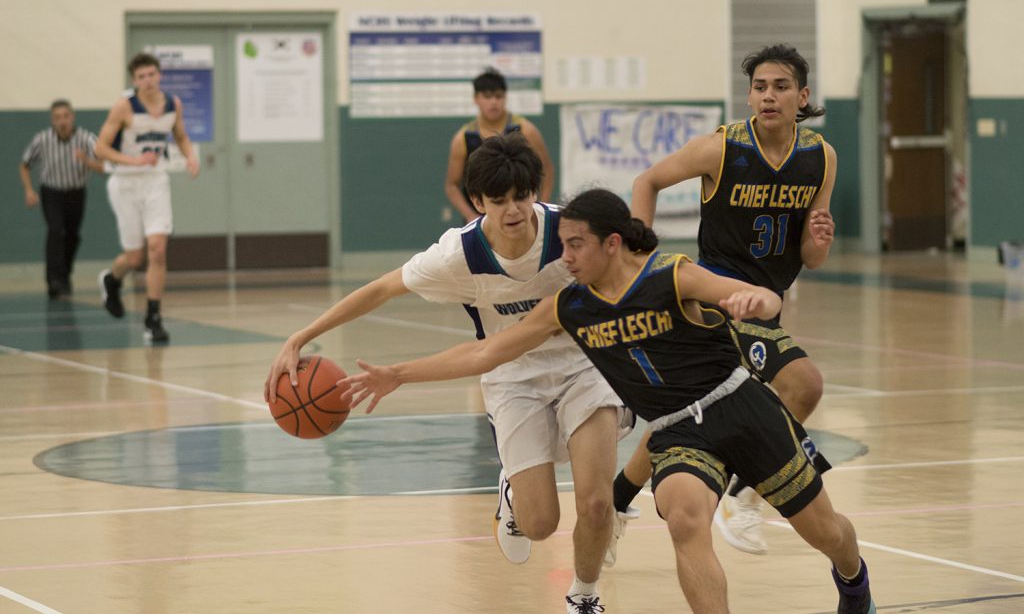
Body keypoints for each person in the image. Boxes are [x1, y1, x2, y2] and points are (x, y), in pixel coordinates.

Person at [339, 188, 876, 614]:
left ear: (612, 243)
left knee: (826, 533)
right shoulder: (569, 306)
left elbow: (759, 297)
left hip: (740, 406)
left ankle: (853, 581)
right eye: (564, 243)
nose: (565, 255)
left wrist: (756, 297)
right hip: (677, 430)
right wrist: (398, 374)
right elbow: (488, 353)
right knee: (687, 521)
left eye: (576, 244)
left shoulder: (671, 275)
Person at [265, 133, 632, 614]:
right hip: (510, 374)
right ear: (477, 202)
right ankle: (513, 489)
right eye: (498, 201)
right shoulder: (458, 254)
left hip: (585, 365)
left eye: (522, 196)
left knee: (597, 502)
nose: (513, 210)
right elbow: (380, 290)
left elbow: (633, 270)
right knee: (541, 522)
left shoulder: (570, 235)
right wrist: (300, 336)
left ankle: (584, 596)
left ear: (536, 191)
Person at [612, 43, 838, 555]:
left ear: (802, 96)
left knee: (693, 410)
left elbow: (811, 256)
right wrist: (638, 259)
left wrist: (819, 240)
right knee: (803, 384)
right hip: (715, 296)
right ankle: (746, 496)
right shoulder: (723, 147)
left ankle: (616, 498)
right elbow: (647, 180)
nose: (768, 96)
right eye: (759, 87)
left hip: (766, 301)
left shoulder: (820, 157)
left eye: (780, 86)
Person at [94, 52, 200, 343]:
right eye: (141, 77)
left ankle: (153, 318)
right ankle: (112, 280)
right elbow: (100, 149)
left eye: (152, 74)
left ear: (159, 75)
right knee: (135, 257)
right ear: (134, 80)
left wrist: (190, 156)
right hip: (125, 182)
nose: (148, 80)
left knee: (157, 249)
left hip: (155, 181)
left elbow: (180, 135)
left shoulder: (172, 104)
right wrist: (134, 161)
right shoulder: (124, 107)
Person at [445, 67, 555, 222]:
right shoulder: (463, 138)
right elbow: (452, 185)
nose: (493, 102)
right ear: (476, 98)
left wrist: (540, 207)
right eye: (487, 96)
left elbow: (547, 171)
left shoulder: (525, 130)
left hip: (520, 218)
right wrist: (471, 216)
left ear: (505, 97)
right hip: (480, 220)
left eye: (498, 96)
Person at [18, 99, 103, 299]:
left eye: (65, 116)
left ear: (72, 117)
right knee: (55, 230)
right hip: (52, 192)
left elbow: (104, 165)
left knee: (73, 235)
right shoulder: (42, 139)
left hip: (76, 192)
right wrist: (29, 190)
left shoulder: (86, 138)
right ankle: (53, 280)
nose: (62, 121)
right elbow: (24, 164)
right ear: (52, 120)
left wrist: (87, 161)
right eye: (57, 118)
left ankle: (65, 274)